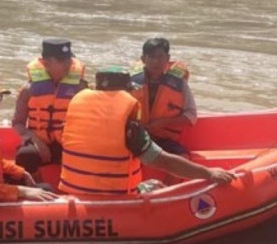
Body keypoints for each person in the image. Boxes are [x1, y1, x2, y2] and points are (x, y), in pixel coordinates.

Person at [59, 67, 234, 196]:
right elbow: (163, 161)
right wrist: (208, 173)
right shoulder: (128, 127)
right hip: (112, 197)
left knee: (150, 183)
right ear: (124, 91)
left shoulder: (76, 113)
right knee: (156, 185)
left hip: (74, 191)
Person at [12, 38, 87, 176]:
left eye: (68, 59)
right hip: (39, 140)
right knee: (25, 155)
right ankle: (36, 188)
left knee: (87, 155)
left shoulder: (81, 88)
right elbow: (18, 123)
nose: (67, 65)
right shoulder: (28, 89)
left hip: (68, 142)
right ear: (44, 63)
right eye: (61, 60)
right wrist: (36, 141)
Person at [131, 37, 197, 156]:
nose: (156, 61)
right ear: (143, 59)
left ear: (167, 58)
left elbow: (191, 116)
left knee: (183, 158)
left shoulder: (179, 84)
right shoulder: (131, 82)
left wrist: (164, 122)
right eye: (151, 57)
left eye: (160, 57)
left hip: (164, 139)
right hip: (136, 136)